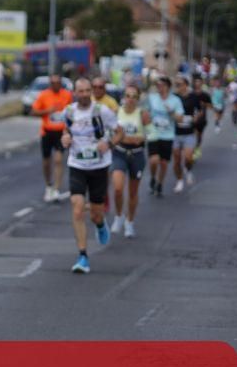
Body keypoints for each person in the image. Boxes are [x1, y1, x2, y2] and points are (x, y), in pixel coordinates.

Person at [61, 78, 117, 274]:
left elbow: (119, 132)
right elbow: (66, 130)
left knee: (95, 213)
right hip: (77, 164)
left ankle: (100, 224)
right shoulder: (69, 112)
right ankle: (83, 256)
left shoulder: (102, 111)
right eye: (81, 91)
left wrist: (108, 144)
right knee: (77, 208)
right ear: (75, 93)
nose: (84, 94)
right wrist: (65, 138)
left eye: (87, 91)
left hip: (99, 166)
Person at [110, 84, 150, 239]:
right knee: (118, 188)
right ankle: (119, 216)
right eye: (128, 96)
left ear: (138, 99)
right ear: (123, 97)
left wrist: (141, 138)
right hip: (119, 153)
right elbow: (111, 133)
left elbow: (151, 133)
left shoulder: (142, 114)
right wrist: (124, 139)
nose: (130, 99)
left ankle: (130, 221)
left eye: (134, 96)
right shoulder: (117, 112)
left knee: (133, 192)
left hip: (137, 155)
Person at [31, 74, 73, 203]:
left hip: (60, 132)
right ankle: (49, 184)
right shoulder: (44, 95)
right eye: (53, 83)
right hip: (47, 132)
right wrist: (48, 111)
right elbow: (33, 111)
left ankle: (56, 188)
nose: (55, 85)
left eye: (58, 83)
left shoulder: (67, 95)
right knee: (46, 161)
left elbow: (71, 112)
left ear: (61, 83)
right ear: (50, 84)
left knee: (58, 160)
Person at [145, 76, 184, 197]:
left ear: (168, 87)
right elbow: (145, 113)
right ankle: (153, 177)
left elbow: (180, 119)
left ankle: (160, 183)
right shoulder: (152, 98)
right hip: (153, 134)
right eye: (157, 85)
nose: (159, 87)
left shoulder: (175, 100)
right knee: (154, 160)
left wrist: (171, 112)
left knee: (163, 163)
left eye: (161, 85)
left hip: (168, 136)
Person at [171, 76, 204, 192]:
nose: (178, 87)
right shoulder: (174, 97)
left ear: (186, 85)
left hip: (189, 132)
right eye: (176, 85)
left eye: (179, 84)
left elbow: (200, 110)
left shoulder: (193, 97)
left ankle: (188, 170)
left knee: (188, 158)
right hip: (175, 133)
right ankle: (179, 180)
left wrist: (196, 118)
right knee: (176, 160)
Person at [190, 76, 212, 155]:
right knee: (192, 133)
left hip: (202, 119)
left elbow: (210, 107)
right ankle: (191, 149)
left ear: (202, 83)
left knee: (199, 135)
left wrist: (204, 104)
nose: (197, 83)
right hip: (192, 118)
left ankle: (197, 147)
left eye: (199, 82)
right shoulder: (191, 94)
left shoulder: (205, 95)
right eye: (196, 82)